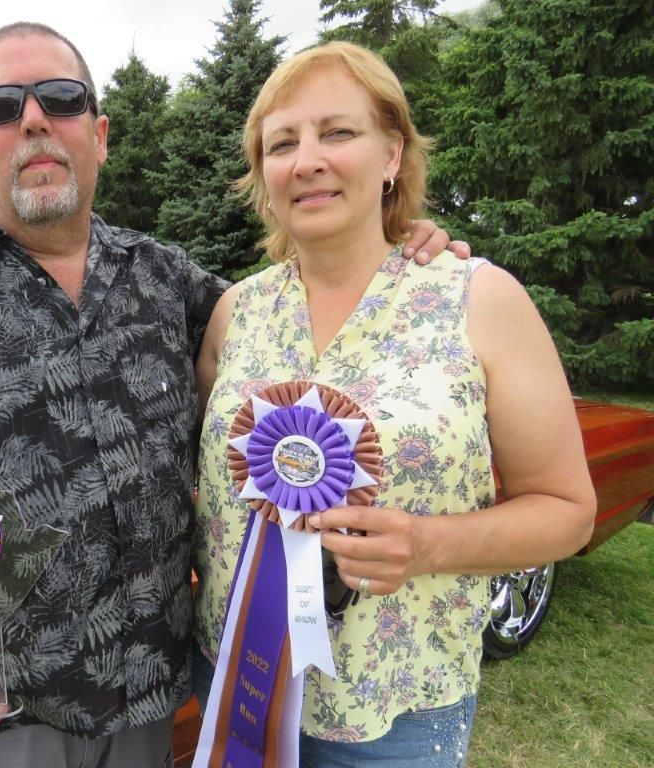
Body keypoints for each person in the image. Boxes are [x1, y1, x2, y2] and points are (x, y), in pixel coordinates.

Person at [0, 24, 464, 768]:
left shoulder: (168, 282)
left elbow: (300, 316)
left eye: (61, 98)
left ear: (100, 134)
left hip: (144, 712)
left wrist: (397, 246)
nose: (35, 119)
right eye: (1, 106)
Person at [192, 41, 596, 767]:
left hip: (397, 710)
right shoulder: (234, 313)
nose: (307, 159)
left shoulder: (478, 299)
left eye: (337, 133)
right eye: (281, 143)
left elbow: (568, 510)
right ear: (264, 175)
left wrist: (427, 544)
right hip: (237, 690)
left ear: (392, 155)